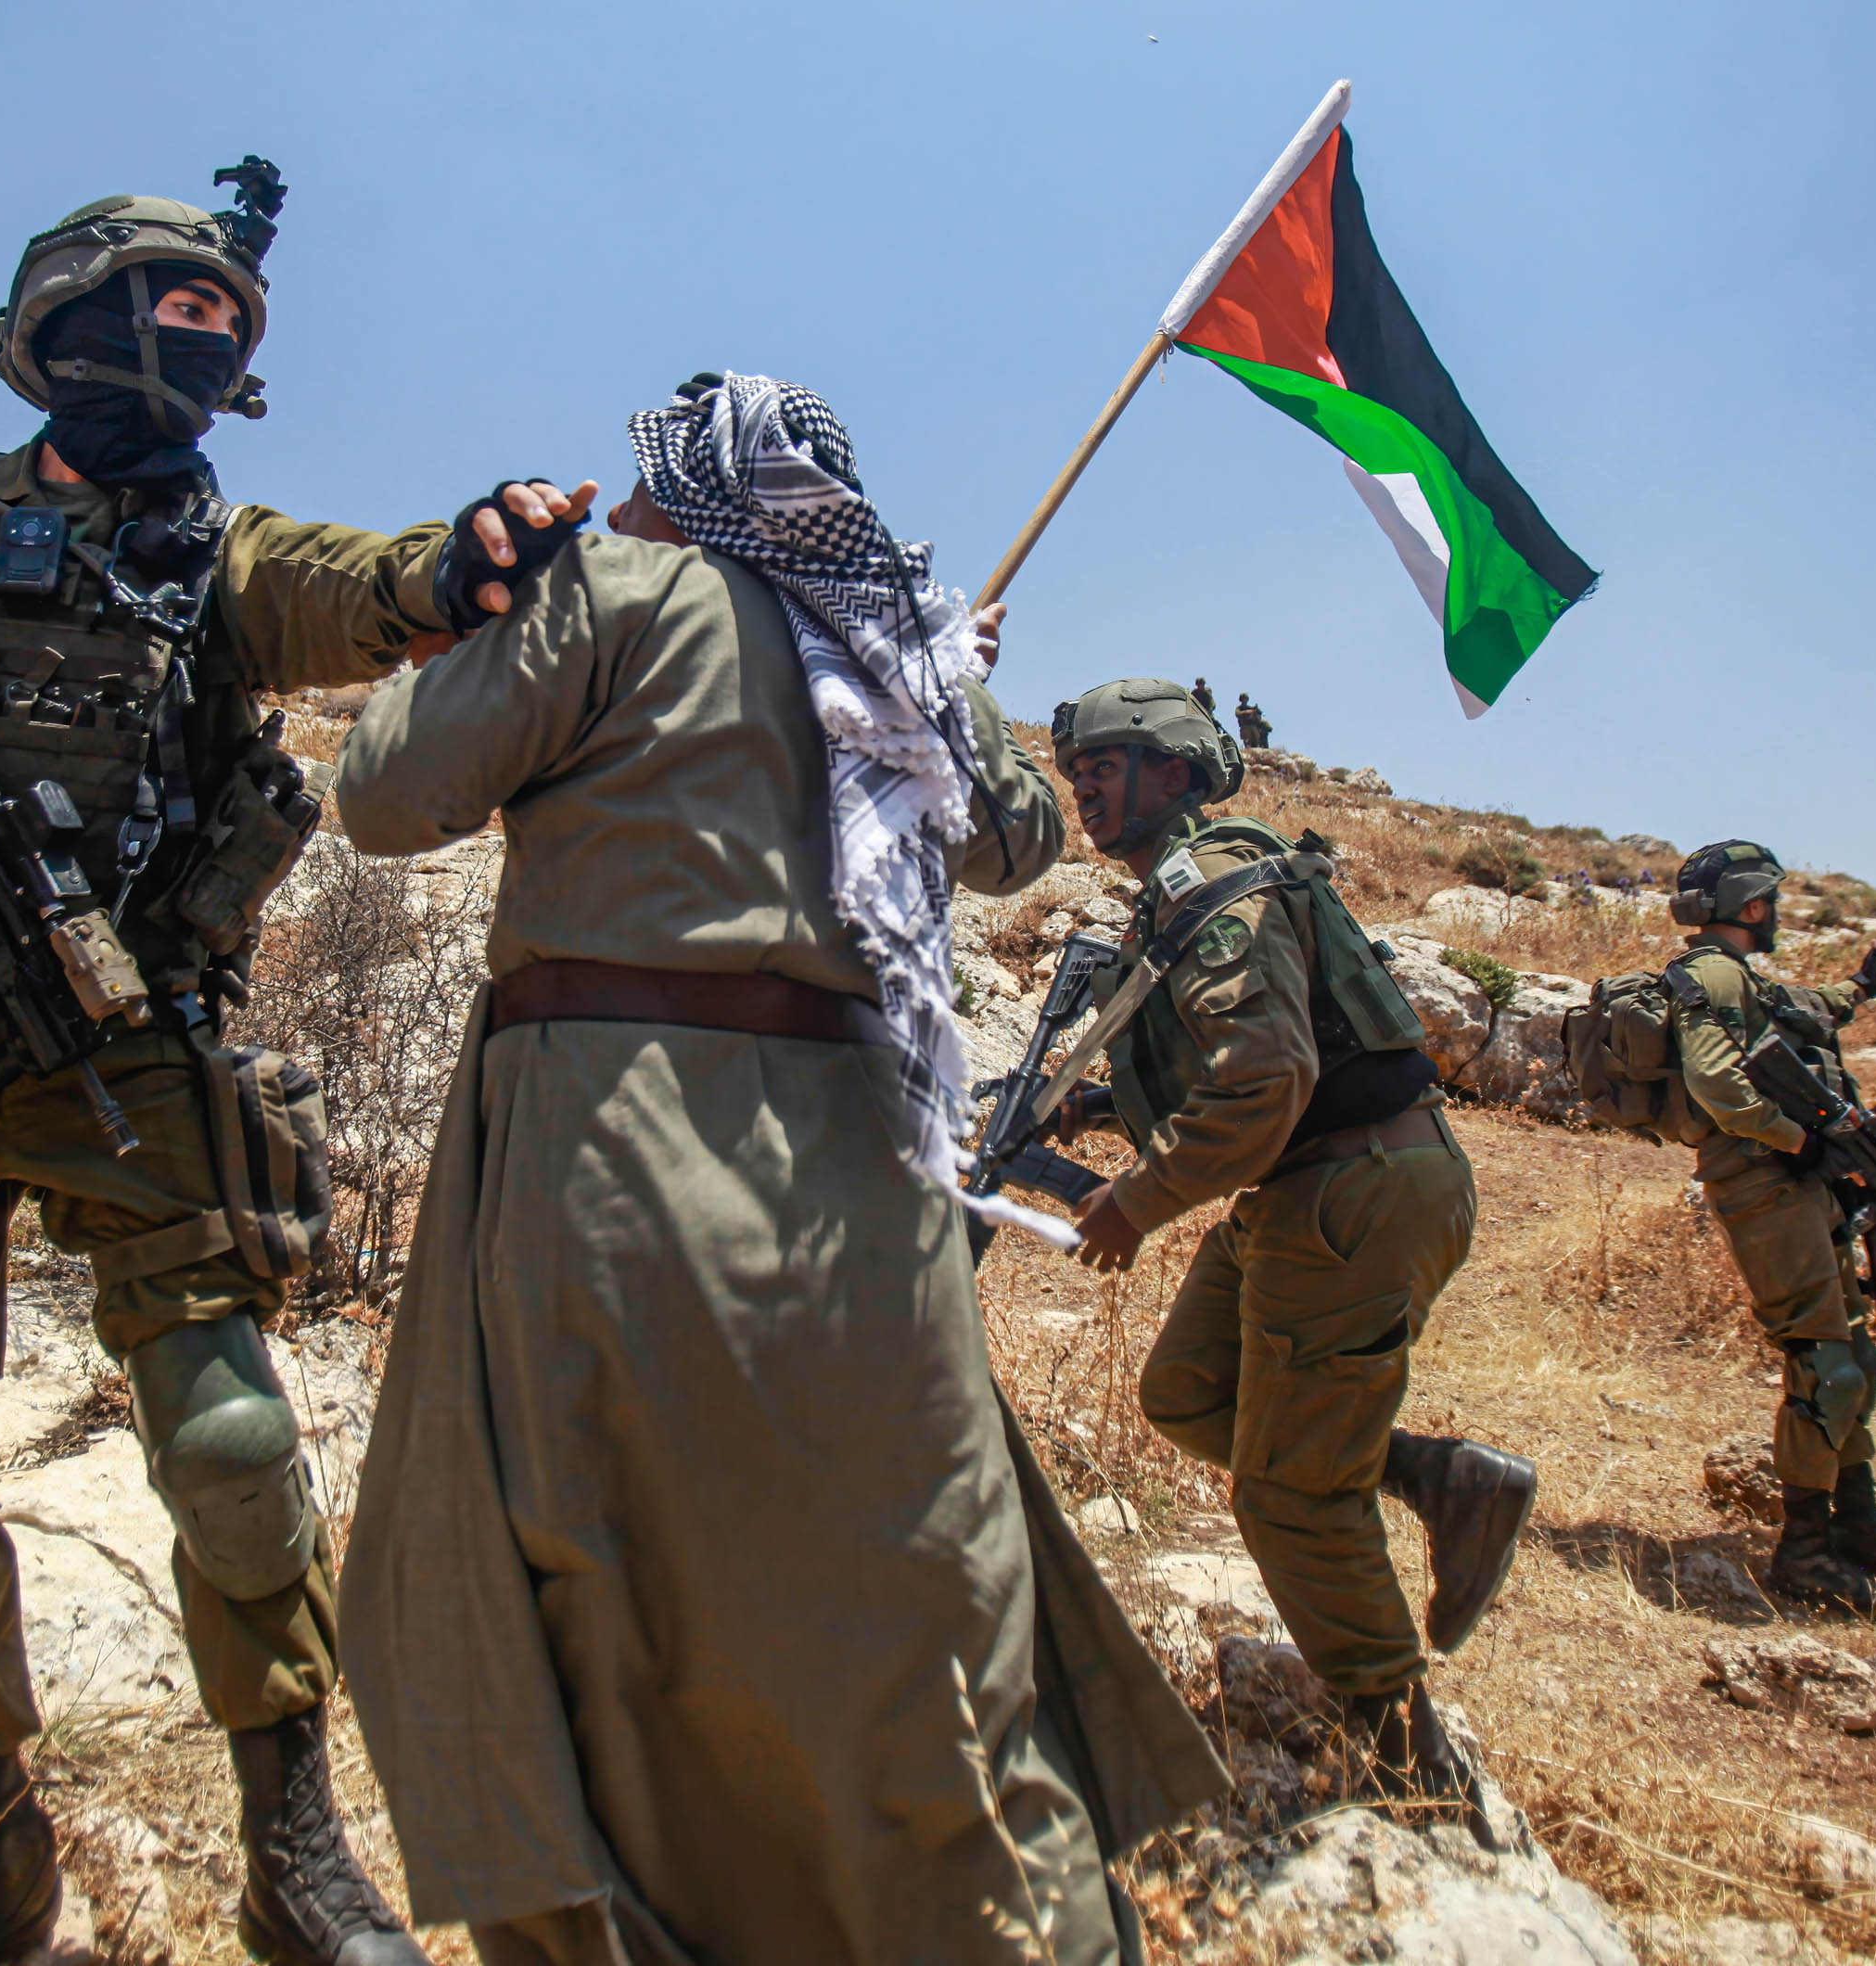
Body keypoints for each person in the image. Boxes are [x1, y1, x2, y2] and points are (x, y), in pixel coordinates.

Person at [0, 170, 590, 1966]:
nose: (206, 341)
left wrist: (463, 562)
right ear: (67, 318)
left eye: (229, 320)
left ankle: (292, 1852)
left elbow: (365, 590)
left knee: (230, 1441)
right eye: (182, 306)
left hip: (125, 1041)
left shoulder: (216, 553)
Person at [336, 375, 1226, 1966]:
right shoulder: (890, 650)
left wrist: (479, 623)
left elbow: (387, 794)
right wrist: (951, 676)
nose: (616, 512)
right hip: (869, 1163)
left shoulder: (606, 591)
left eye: (641, 488)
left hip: (614, 1138)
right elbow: (1015, 838)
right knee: (919, 1578)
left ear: (688, 495)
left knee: (607, 1582)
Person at [1039, 678, 1532, 1799]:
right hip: (1318, 1183)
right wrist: (1100, 1107)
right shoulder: (1188, 886)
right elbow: (1263, 1046)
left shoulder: (1203, 878)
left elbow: (1268, 1076)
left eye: (1103, 766)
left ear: (1172, 771)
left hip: (1349, 1187)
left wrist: (1138, 1199)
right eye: (1076, 771)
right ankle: (1438, 1475)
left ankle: (1409, 1761)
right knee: (1187, 1390)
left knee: (1288, 1494)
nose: (1083, 789)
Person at [1660, 840, 1876, 1615]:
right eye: (1772, 902)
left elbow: (1800, 1011)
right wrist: (1803, 1140)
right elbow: (1719, 1083)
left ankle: (1858, 1529)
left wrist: (1864, 986)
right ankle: (1805, 1554)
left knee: (1855, 1356)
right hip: (1766, 1183)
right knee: (1827, 1363)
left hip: (1796, 1180)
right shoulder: (1709, 976)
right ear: (1753, 907)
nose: (1777, 914)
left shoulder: (1738, 976)